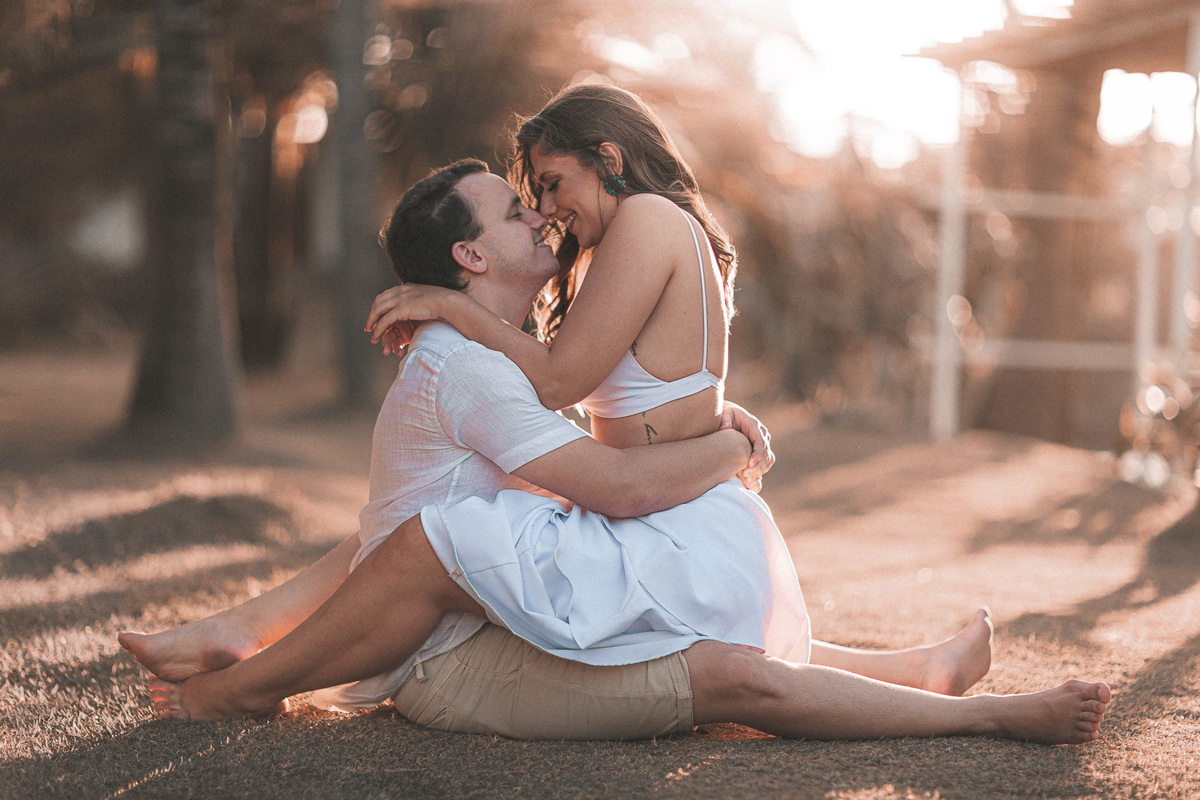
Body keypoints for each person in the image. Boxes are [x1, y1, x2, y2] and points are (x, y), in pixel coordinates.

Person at [126, 158, 1109, 744]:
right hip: (453, 662)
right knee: (725, 674)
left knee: (675, 614)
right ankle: (990, 716)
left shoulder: (493, 355)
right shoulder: (469, 369)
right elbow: (620, 489)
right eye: (514, 209)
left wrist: (242, 620)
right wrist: (729, 446)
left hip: (481, 617)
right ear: (470, 256)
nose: (539, 211)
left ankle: (915, 668)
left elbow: (382, 535)